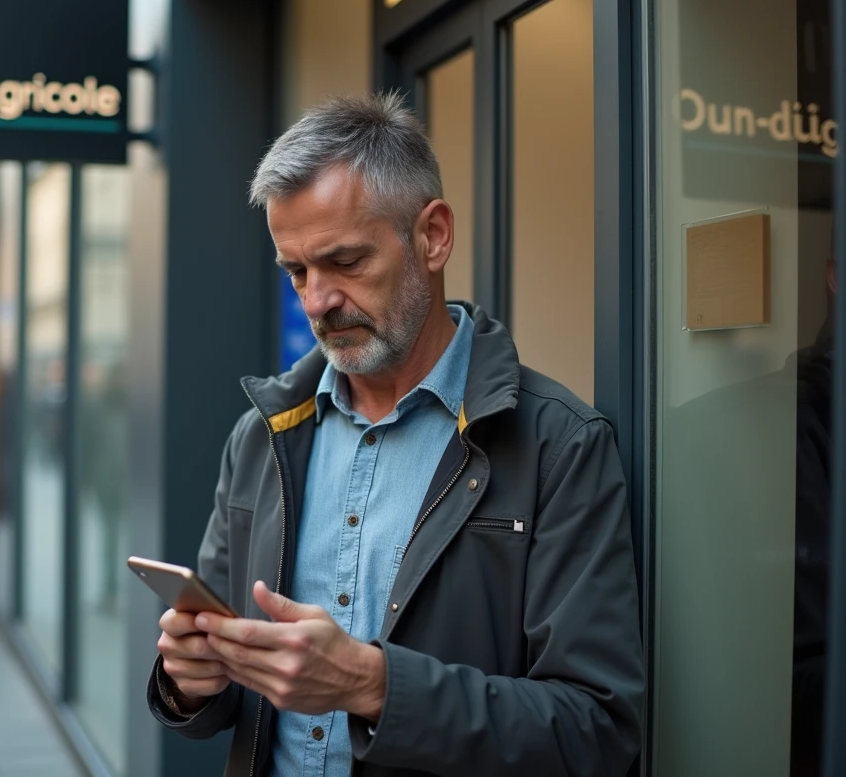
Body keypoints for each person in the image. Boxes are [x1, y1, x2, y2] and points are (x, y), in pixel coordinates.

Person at [146, 94, 644, 775]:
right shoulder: (261, 436)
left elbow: (597, 731)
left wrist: (371, 686)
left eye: (345, 262)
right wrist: (188, 679)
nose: (316, 300)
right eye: (296, 271)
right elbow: (229, 693)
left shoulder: (559, 443)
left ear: (433, 236)